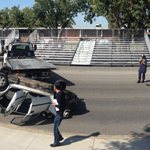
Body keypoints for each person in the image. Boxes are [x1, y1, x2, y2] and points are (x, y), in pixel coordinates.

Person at [50, 80, 65, 147]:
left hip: (59, 114)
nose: (53, 86)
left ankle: (56, 142)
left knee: (55, 129)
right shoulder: (61, 92)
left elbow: (60, 105)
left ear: (55, 87)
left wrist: (54, 105)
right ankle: (60, 137)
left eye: (54, 86)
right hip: (59, 113)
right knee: (56, 126)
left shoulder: (58, 95)